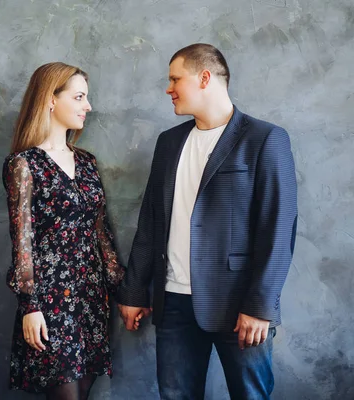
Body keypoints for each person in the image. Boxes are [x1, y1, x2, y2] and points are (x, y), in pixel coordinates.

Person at [116, 43, 298, 399]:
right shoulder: (169, 143)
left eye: (174, 79)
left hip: (239, 306)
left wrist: (260, 306)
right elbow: (151, 224)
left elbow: (278, 229)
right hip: (174, 305)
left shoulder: (264, 139)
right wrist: (134, 290)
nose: (168, 89)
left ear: (204, 78)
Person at [2, 62, 129, 400]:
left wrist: (126, 293)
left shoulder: (87, 163)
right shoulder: (24, 165)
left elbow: (101, 235)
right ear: (51, 100)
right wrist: (30, 306)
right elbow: (22, 242)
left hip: (90, 297)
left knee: (84, 392)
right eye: (79, 97)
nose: (88, 106)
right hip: (50, 301)